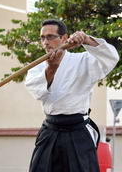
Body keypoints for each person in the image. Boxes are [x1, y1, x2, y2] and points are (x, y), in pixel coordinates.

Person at [25, 19, 119, 172]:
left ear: (63, 38)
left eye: (50, 37)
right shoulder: (37, 67)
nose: (45, 42)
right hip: (50, 130)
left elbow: (111, 58)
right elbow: (37, 91)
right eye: (42, 38)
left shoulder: (83, 60)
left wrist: (87, 40)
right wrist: (51, 68)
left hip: (78, 130)